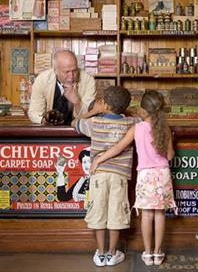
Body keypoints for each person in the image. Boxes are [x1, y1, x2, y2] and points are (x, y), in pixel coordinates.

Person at [90, 90, 177, 266]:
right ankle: (157, 253)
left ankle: (147, 253)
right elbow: (169, 156)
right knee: (160, 214)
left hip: (145, 176)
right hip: (162, 175)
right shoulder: (165, 129)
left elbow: (118, 148)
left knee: (146, 215)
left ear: (143, 110)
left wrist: (98, 159)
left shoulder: (137, 128)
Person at [71, 85, 138, 267]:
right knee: (116, 214)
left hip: (98, 174)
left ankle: (100, 254)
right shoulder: (131, 123)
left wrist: (94, 111)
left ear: (105, 105)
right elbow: (145, 120)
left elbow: (75, 122)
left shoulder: (94, 123)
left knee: (99, 211)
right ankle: (112, 253)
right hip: (119, 176)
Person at [28, 49, 96, 124]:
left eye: (74, 71)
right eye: (66, 72)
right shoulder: (41, 80)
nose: (71, 76)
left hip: (77, 131)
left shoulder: (89, 80)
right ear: (55, 70)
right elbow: (34, 112)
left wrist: (77, 103)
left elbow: (89, 115)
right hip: (48, 129)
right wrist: (45, 121)